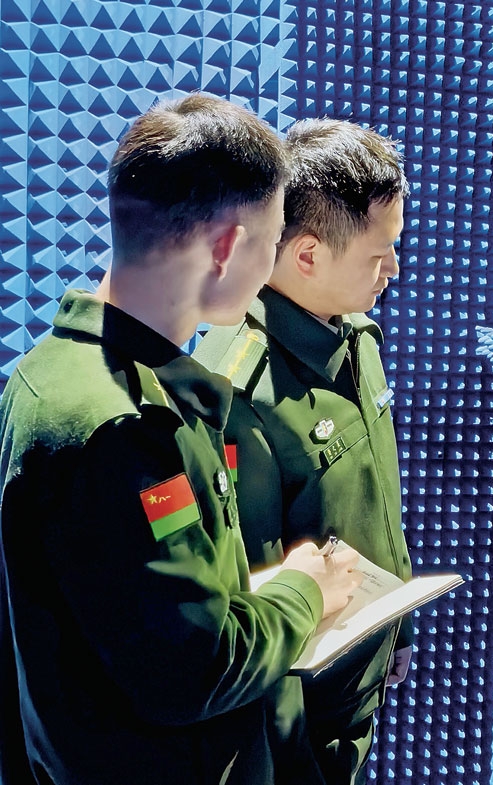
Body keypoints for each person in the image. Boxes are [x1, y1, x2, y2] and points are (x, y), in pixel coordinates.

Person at [0, 93, 362, 785]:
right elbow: (192, 669)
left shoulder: (47, 371)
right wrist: (304, 590)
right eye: (271, 241)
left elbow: (132, 611)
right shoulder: (123, 427)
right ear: (226, 248)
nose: (272, 268)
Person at [193, 118, 414, 785]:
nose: (394, 270)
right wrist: (292, 765)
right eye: (379, 254)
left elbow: (375, 499)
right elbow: (252, 600)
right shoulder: (239, 391)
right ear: (308, 254)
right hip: (298, 731)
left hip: (356, 693)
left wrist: (394, 634)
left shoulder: (358, 337)